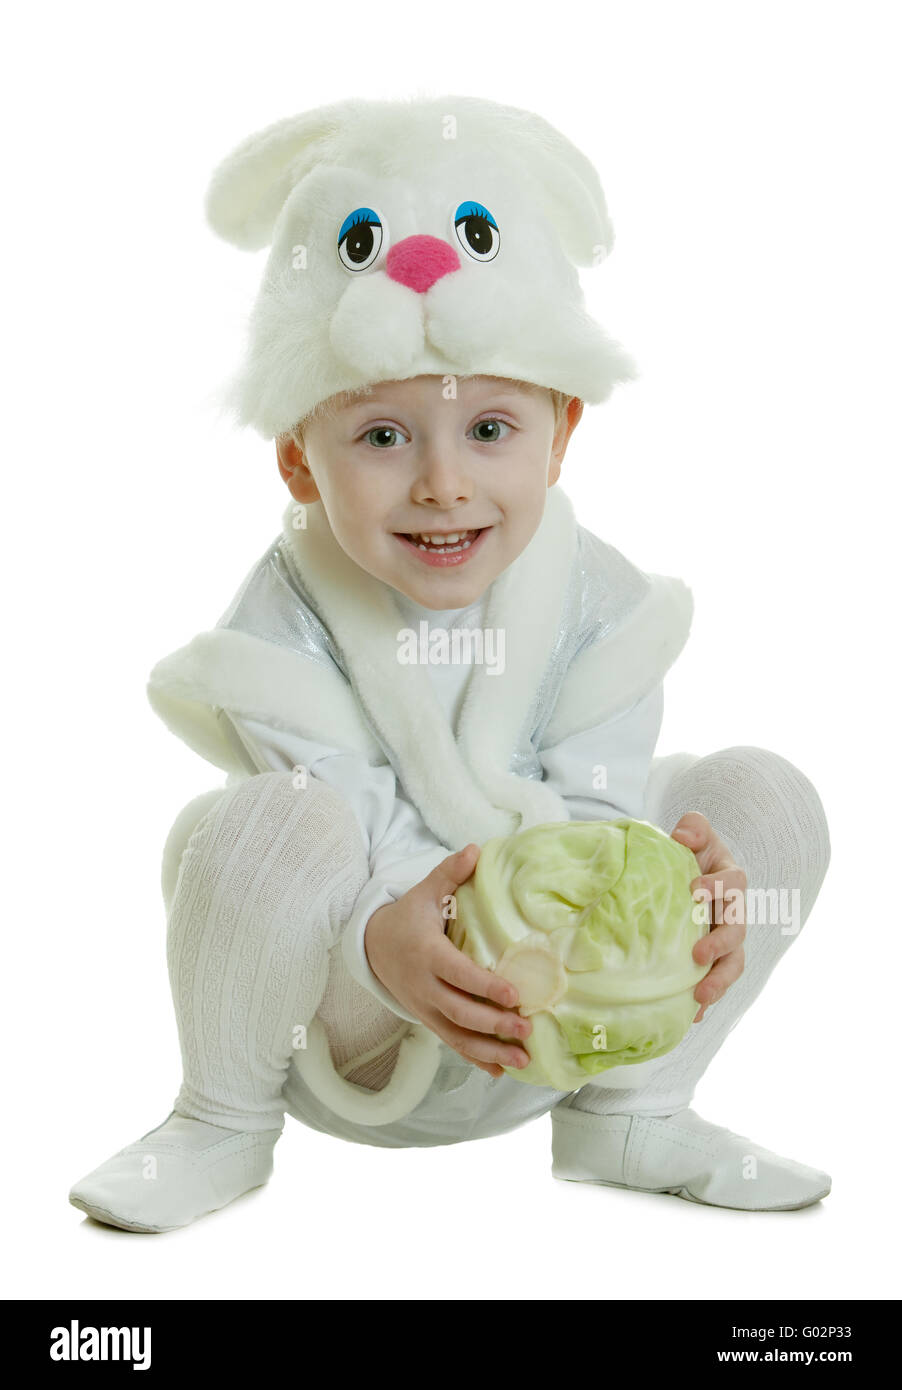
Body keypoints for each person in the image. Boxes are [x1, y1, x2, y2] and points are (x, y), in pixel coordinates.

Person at [69, 95, 831, 1233]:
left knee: (763, 793)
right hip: (358, 1019)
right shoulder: (288, 612)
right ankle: (219, 1120)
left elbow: (599, 802)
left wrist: (678, 893)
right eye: (380, 437)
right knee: (256, 822)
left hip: (566, 1017)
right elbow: (339, 812)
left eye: (489, 429)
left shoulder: (598, 600)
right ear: (297, 462)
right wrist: (381, 944)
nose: (441, 485)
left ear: (561, 432)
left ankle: (632, 1109)